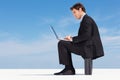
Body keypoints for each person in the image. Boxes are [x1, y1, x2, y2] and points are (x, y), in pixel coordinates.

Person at [54, 2, 104, 75]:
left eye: (74, 12)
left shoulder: (87, 20)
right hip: (87, 46)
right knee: (64, 43)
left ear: (80, 9)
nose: (74, 15)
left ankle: (69, 69)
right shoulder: (86, 19)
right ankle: (69, 69)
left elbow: (87, 35)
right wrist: (71, 39)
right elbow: (85, 36)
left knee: (62, 43)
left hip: (87, 48)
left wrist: (72, 39)